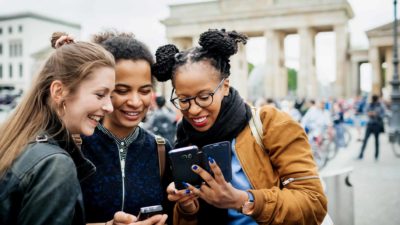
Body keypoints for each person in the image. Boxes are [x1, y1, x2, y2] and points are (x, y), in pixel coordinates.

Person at [152, 29, 327, 225]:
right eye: (183, 100)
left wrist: (242, 200)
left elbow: (313, 204)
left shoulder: (272, 123)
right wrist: (187, 209)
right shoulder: (183, 139)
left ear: (225, 85)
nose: (193, 110)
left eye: (204, 97)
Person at [0, 32, 134, 225]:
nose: (109, 107)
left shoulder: (16, 139)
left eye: (110, 95)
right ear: (58, 91)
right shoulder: (55, 164)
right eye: (100, 94)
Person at [79, 31, 170, 225]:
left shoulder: (161, 149)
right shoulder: (74, 147)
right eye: (122, 91)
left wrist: (187, 210)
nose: (136, 102)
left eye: (145, 91)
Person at [358, 94, 386, 160]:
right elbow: (365, 111)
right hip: (370, 124)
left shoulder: (380, 105)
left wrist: (377, 114)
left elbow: (383, 114)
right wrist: (369, 113)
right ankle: (361, 154)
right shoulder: (369, 104)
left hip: (377, 125)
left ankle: (376, 156)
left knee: (376, 141)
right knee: (365, 140)